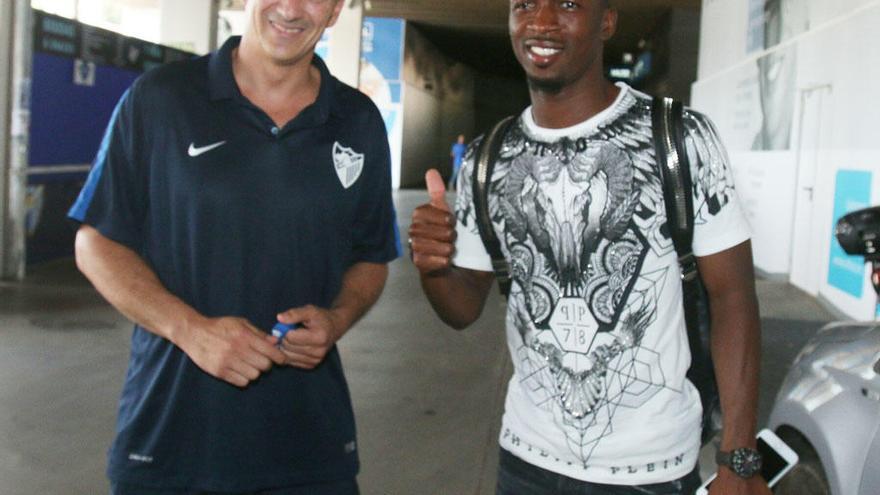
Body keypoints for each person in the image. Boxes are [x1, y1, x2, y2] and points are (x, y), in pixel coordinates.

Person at [409, 1, 769, 494]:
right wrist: (432, 267)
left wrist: (740, 457)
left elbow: (733, 298)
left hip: (653, 470)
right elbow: (464, 305)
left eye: (569, 4)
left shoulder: (681, 139)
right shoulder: (485, 159)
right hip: (524, 463)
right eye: (525, 5)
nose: (541, 22)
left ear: (607, 21)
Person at [68, 0, 400, 493]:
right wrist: (190, 330)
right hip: (170, 446)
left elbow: (371, 255)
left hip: (309, 451)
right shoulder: (161, 99)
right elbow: (95, 241)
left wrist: (338, 318)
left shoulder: (358, 121)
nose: (291, 8)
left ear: (335, 11)